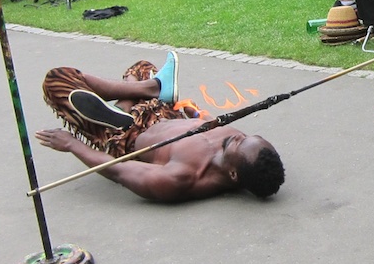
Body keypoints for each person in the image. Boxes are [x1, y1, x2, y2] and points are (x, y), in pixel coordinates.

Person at [36, 52, 285, 202]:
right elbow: (205, 125)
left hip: (125, 136)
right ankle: (146, 92)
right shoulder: (239, 145)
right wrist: (195, 113)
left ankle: (125, 108)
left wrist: (72, 145)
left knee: (57, 80)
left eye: (238, 143)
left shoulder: (182, 178)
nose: (237, 136)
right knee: (141, 67)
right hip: (164, 113)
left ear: (233, 175)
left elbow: (118, 171)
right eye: (247, 136)